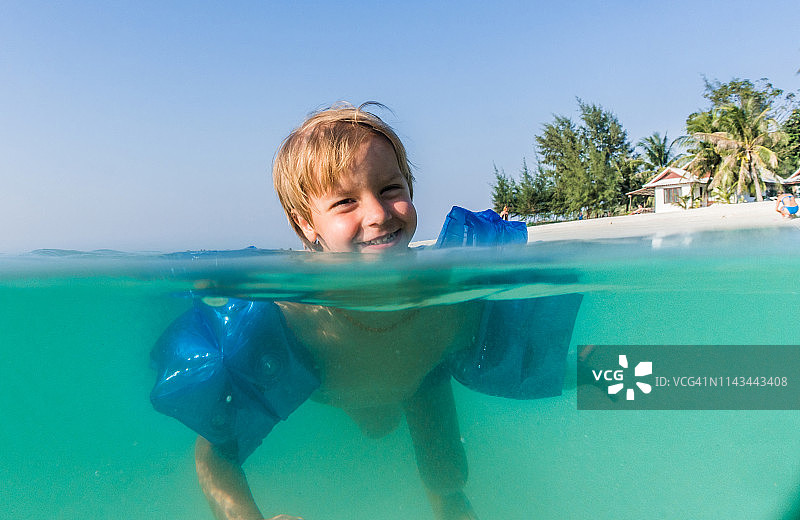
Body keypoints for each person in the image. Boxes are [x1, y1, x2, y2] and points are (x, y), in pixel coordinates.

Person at [195, 103, 480, 520]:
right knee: (377, 422)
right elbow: (214, 449)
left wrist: (610, 376)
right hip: (342, 391)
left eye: (390, 190)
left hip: (421, 377)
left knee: (447, 474)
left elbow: (540, 361)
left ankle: (450, 499)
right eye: (346, 201)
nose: (378, 215)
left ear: (410, 188)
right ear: (304, 225)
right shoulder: (293, 316)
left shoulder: (450, 297)